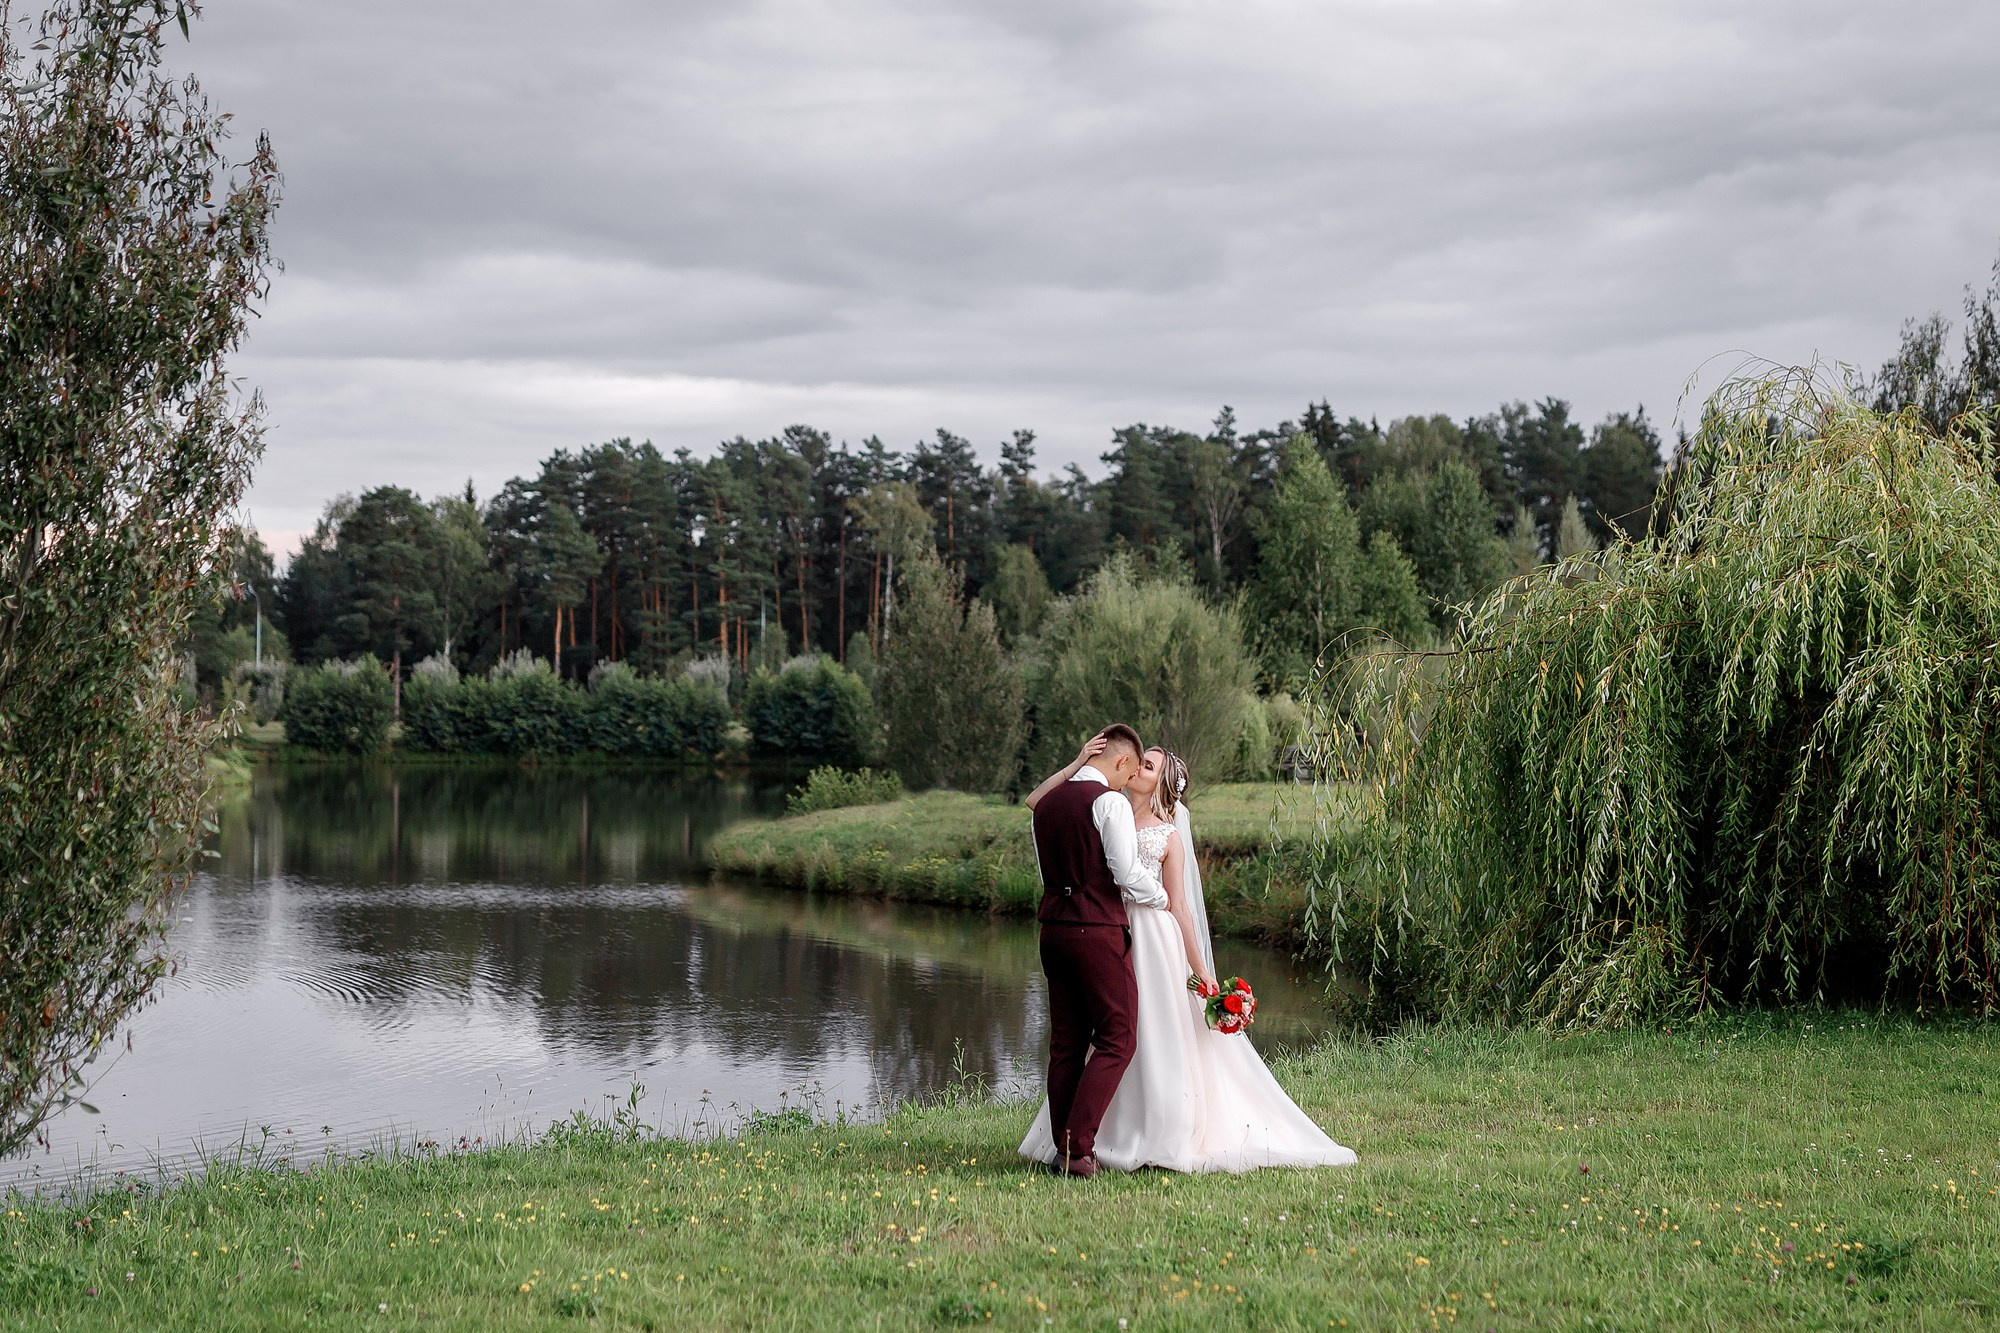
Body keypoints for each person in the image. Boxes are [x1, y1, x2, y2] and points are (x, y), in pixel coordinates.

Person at [1019, 738, 1358, 1174]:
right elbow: (1042, 804)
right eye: (1138, 762)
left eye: (1149, 765)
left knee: (1142, 1032)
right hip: (1101, 931)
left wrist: (1202, 973)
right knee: (1100, 1037)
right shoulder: (1105, 806)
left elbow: (1180, 907)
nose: (1139, 767)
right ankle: (1088, 1138)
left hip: (1149, 937)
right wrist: (1081, 763)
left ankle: (1142, 1131)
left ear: (1163, 784)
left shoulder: (1168, 835)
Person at [1020, 723, 1166, 1177]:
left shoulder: (1046, 806)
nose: (1127, 782)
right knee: (1118, 1037)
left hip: (1052, 931)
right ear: (1122, 761)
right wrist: (1158, 897)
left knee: (1066, 1044)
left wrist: (1075, 763)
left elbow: (1048, 861)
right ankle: (1078, 1148)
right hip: (1096, 931)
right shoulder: (1109, 802)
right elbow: (1125, 872)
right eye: (1129, 771)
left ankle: (1063, 1151)